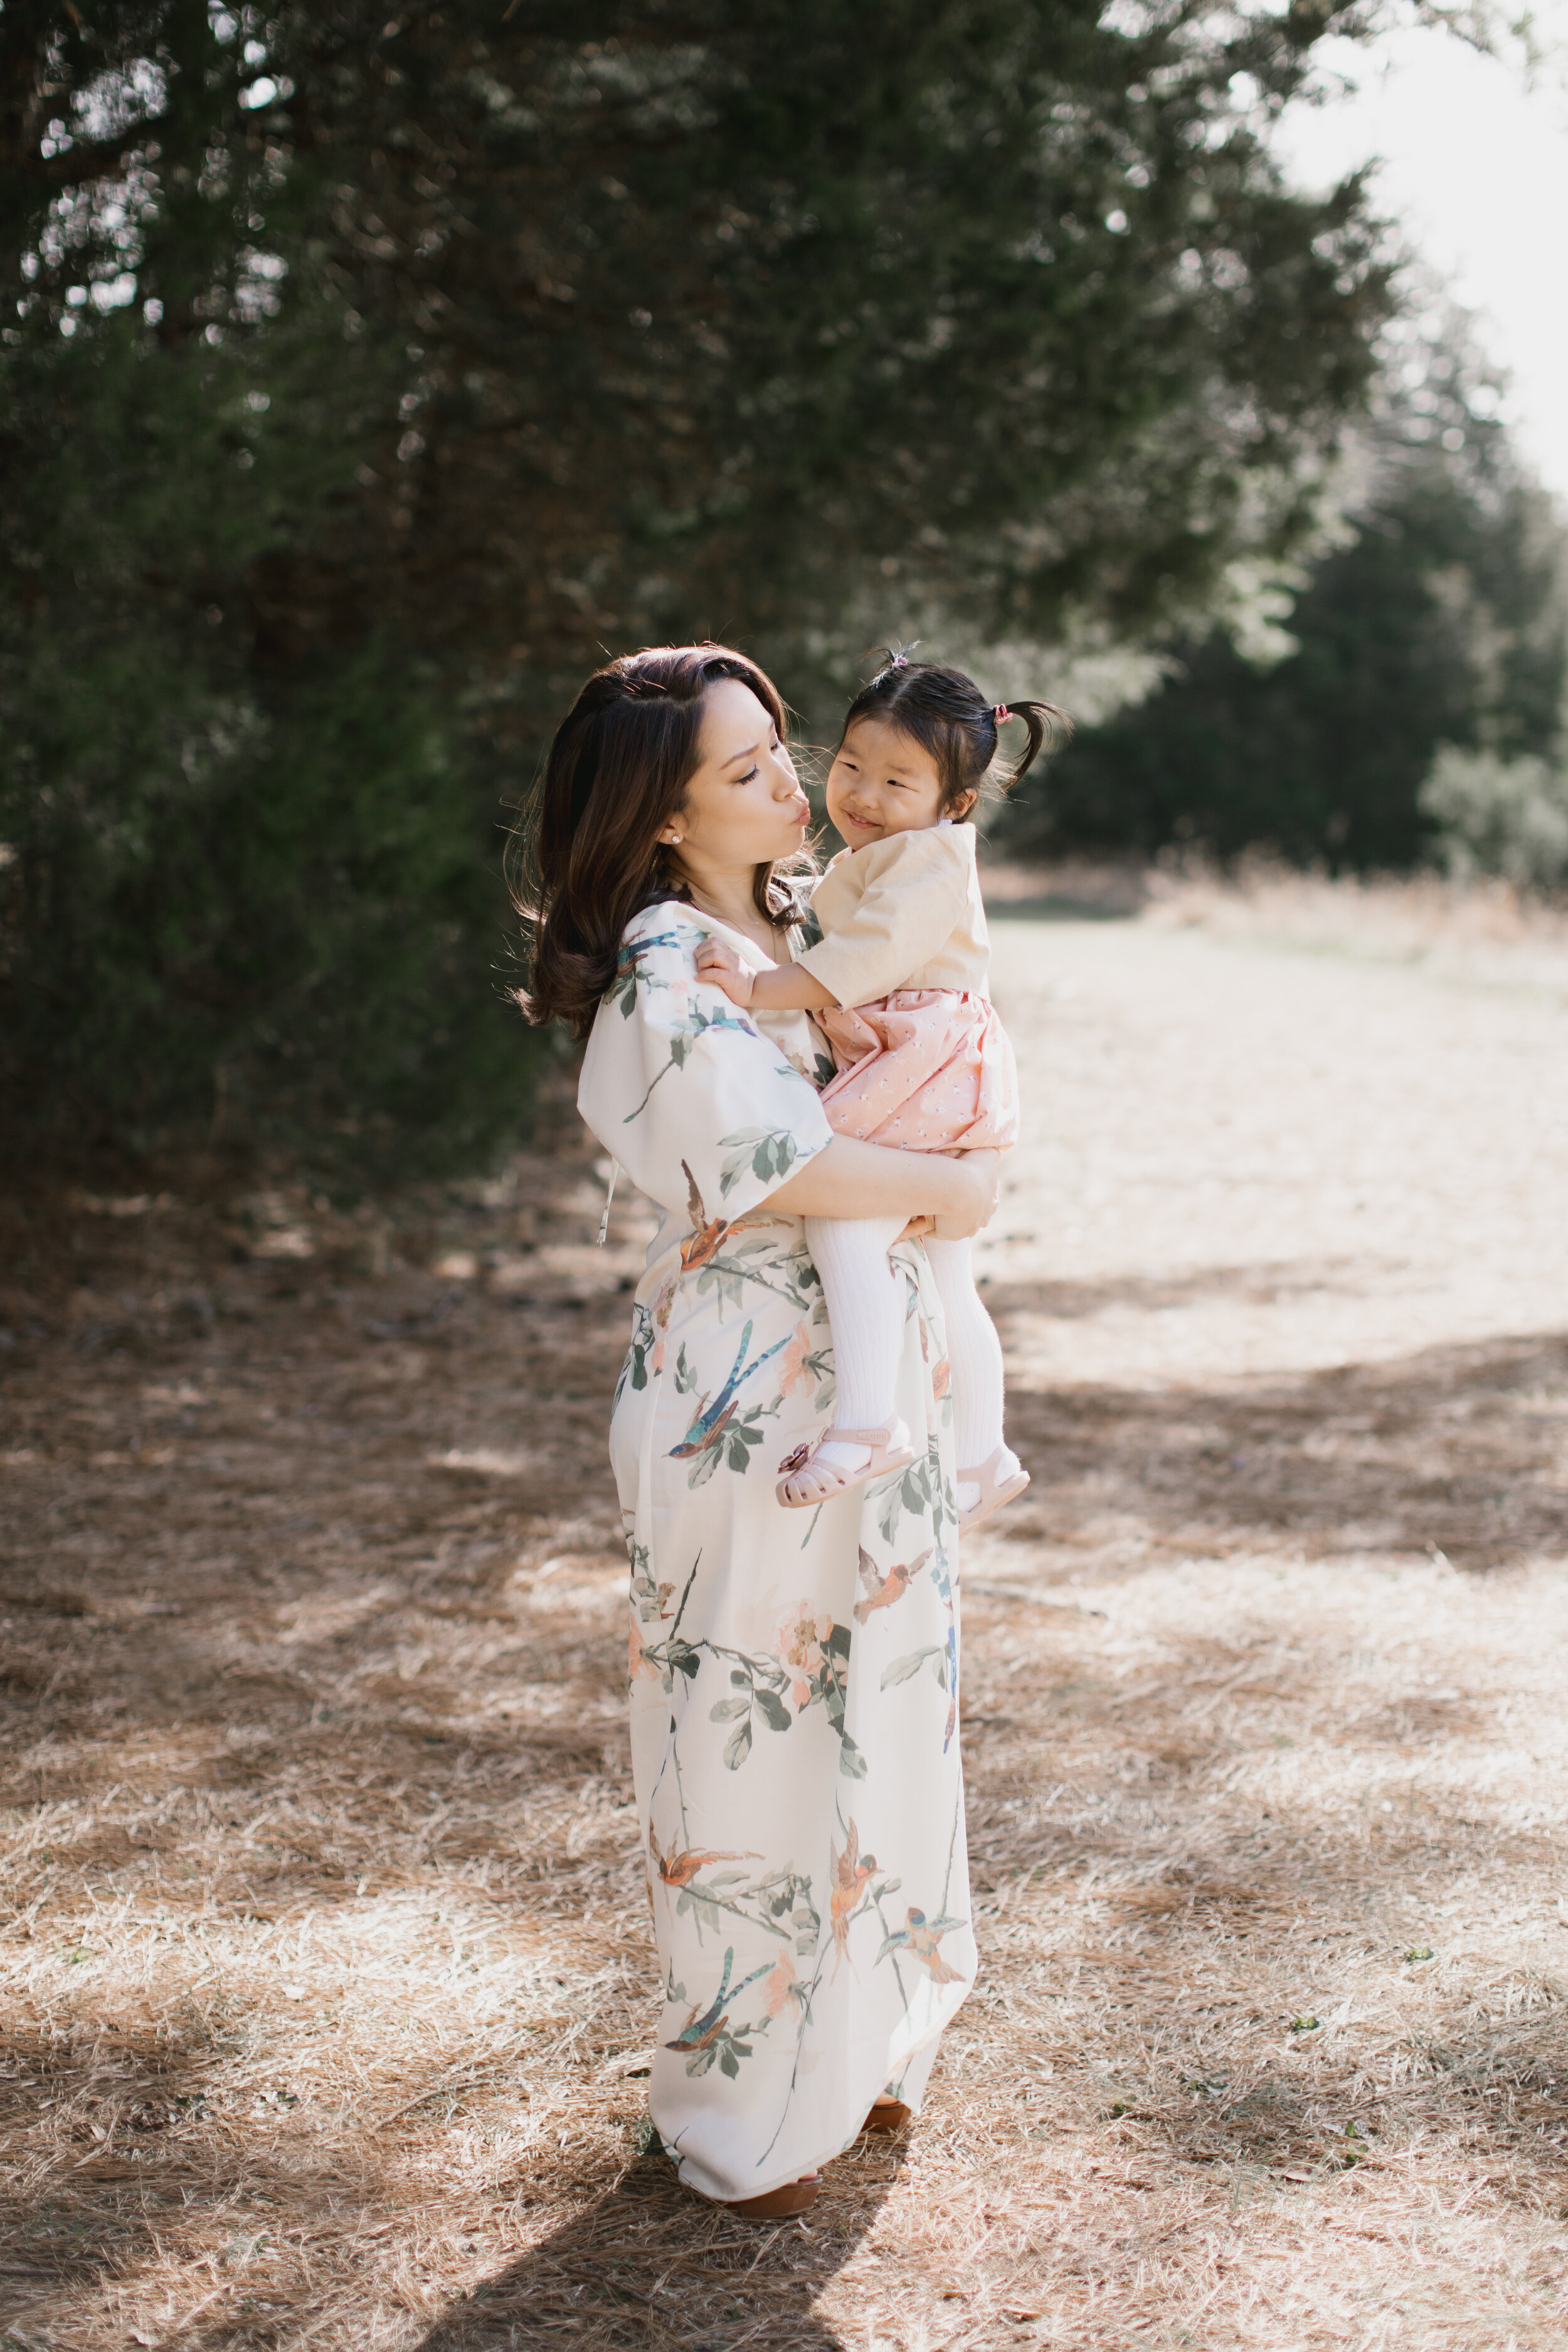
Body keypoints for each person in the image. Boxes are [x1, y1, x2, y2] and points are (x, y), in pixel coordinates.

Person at [518, 644, 999, 2220]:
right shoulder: (668, 962)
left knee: (875, 1707)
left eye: (781, 746)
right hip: (742, 1398)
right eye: (747, 771)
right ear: (661, 820)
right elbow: (780, 1172)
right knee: (750, 1742)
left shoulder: (795, 923)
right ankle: (744, 2104)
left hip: (850, 1381)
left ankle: (855, 2051)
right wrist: (957, 1191)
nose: (795, 783)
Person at [696, 654, 1063, 1530]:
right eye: (852, 764)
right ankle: (982, 1453)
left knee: (842, 1214)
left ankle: (867, 1421)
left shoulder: (927, 865)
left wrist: (758, 990)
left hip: (922, 1054)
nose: (862, 792)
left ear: (956, 803)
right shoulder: (897, 850)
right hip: (939, 1056)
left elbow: (864, 962)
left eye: (898, 780)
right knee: (945, 1267)